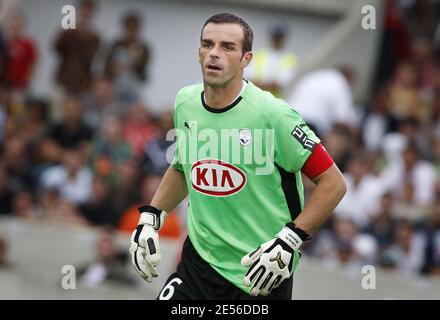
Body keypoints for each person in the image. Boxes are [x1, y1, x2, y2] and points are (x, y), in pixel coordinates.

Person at [128, 13, 346, 300]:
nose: (214, 54)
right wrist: (152, 215)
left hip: (259, 274)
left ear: (246, 59)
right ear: (199, 53)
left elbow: (333, 183)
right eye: (208, 44)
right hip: (197, 266)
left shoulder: (275, 115)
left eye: (228, 47)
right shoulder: (185, 103)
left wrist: (290, 240)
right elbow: (183, 167)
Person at [245, 24, 298, 98]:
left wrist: (259, 83)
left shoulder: (290, 59)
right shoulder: (258, 55)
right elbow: (247, 77)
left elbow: (279, 84)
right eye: (275, 37)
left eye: (279, 37)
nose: (277, 40)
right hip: (254, 99)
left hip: (275, 102)